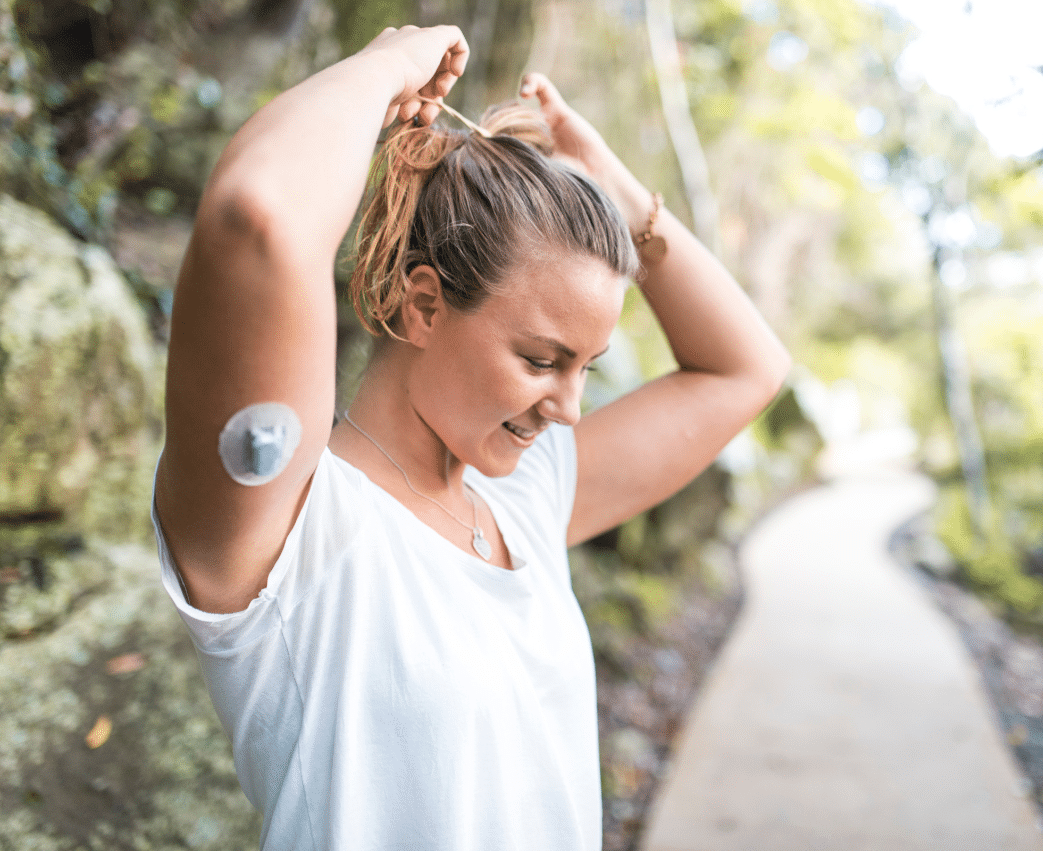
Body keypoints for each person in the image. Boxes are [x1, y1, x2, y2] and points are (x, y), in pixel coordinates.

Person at [153, 23, 790, 851]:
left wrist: (623, 201)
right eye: (540, 359)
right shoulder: (288, 526)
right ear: (423, 305)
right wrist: (387, 66)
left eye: (587, 368)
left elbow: (748, 369)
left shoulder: (522, 497)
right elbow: (258, 216)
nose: (566, 406)